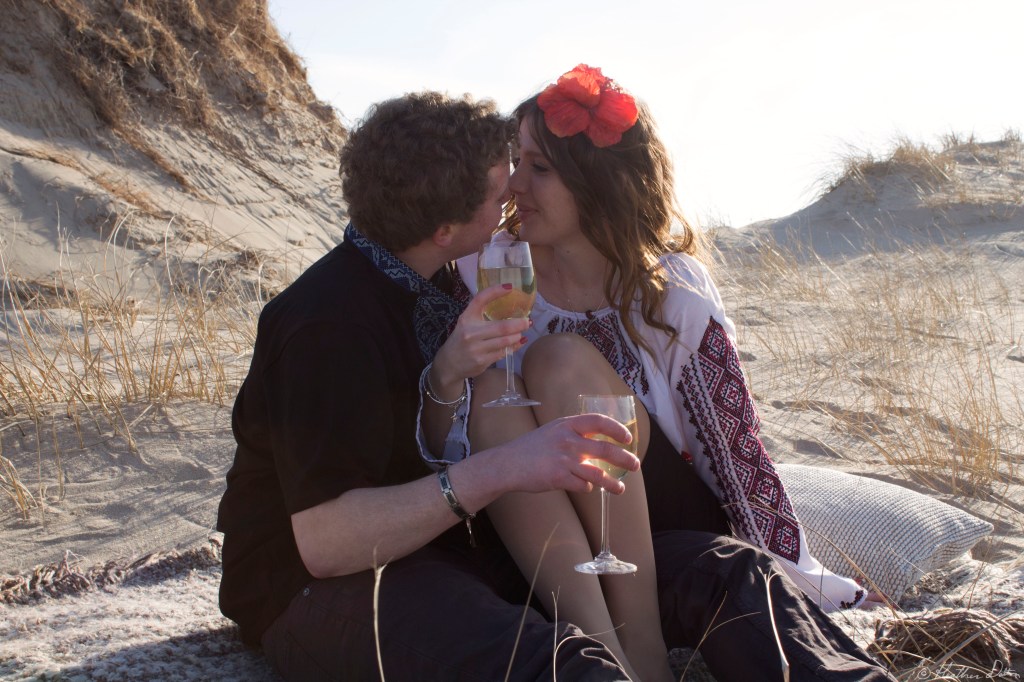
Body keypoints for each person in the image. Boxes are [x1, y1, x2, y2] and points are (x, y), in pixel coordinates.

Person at [442, 64, 891, 680]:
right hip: (541, 530)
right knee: (494, 386)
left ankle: (644, 657)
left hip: (659, 514)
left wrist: (802, 575)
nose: (515, 184)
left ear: (597, 181)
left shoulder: (670, 287)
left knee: (560, 362)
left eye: (539, 167)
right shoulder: (485, 265)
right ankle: (603, 654)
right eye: (515, 161)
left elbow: (736, 452)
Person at [216, 91, 648, 681]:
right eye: (499, 195)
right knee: (565, 668)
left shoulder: (433, 279)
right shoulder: (326, 323)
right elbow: (326, 543)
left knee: (718, 577)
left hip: (436, 549)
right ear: (445, 229)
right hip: (318, 589)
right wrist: (508, 467)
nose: (511, 200)